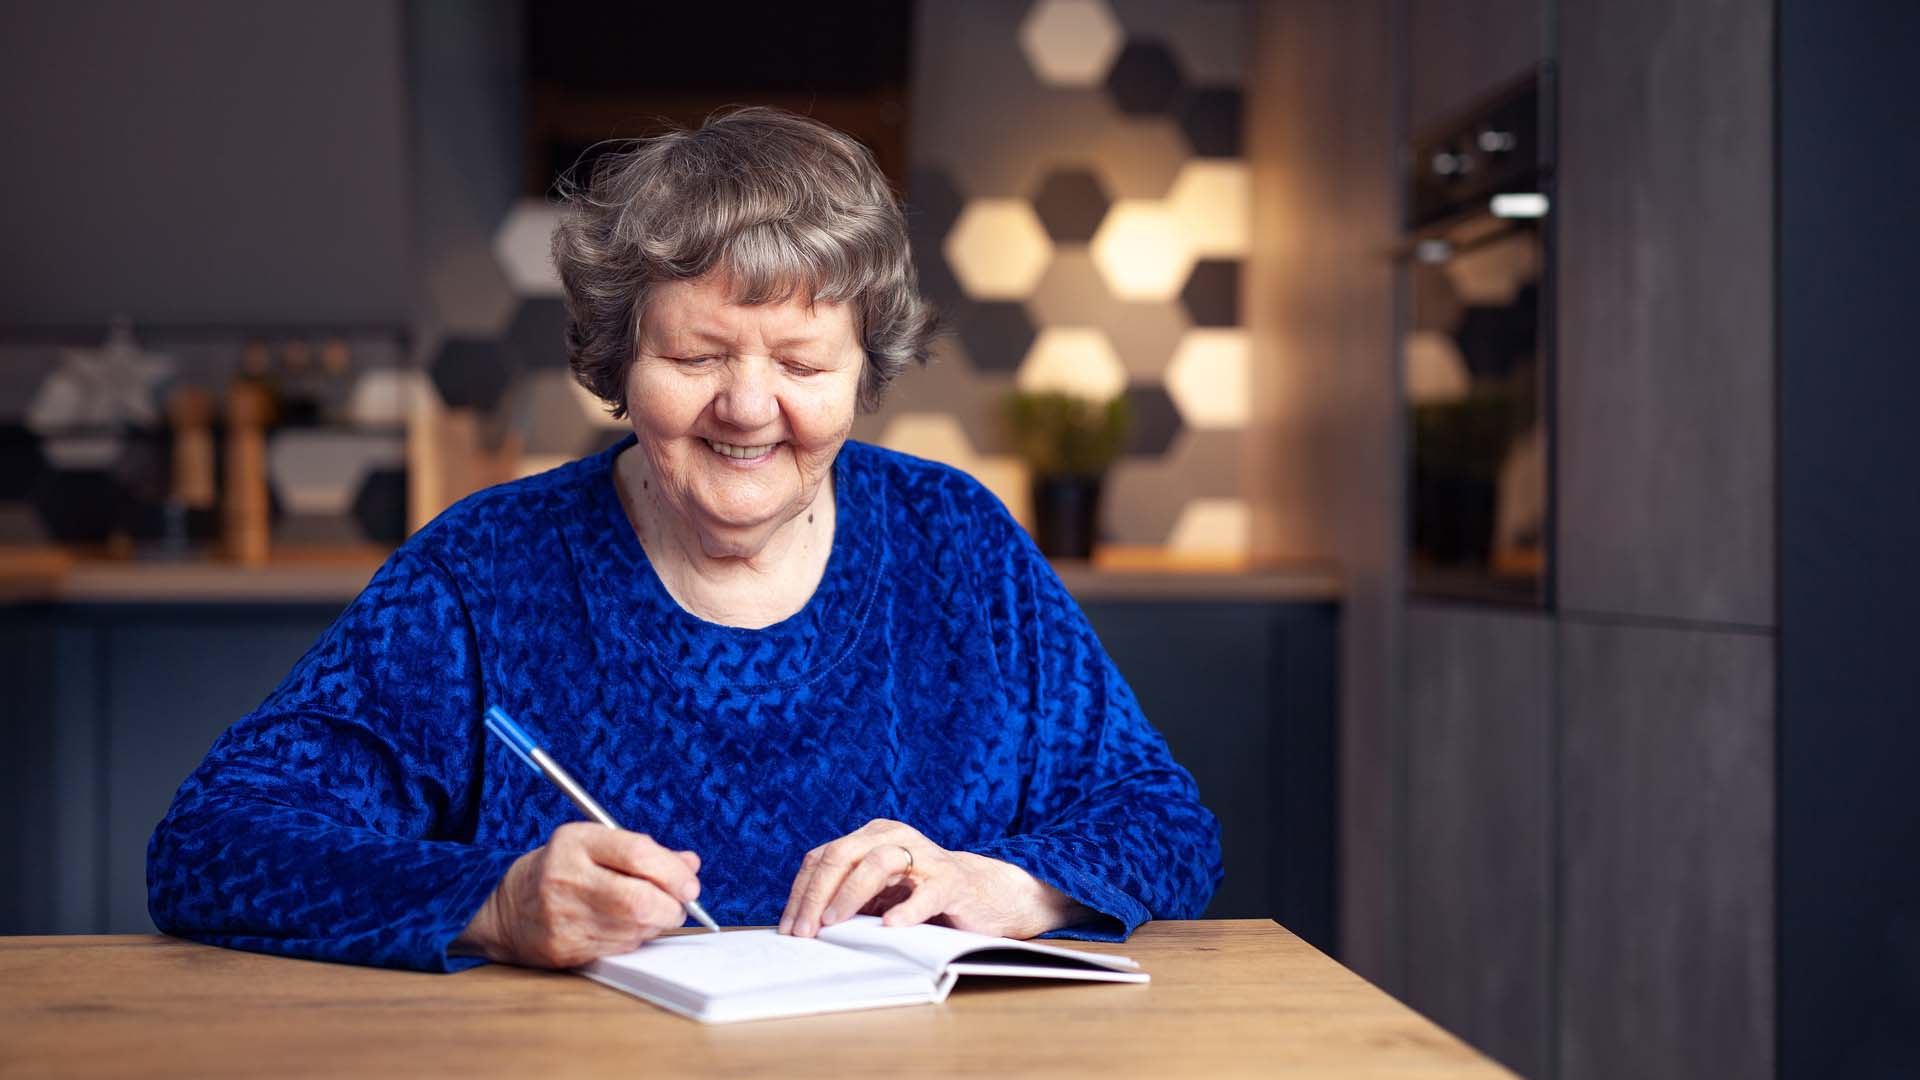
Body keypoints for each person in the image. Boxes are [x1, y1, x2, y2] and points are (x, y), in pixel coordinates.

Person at [146, 108, 1222, 972]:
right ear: (620, 359)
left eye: (800, 364)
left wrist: (1009, 885)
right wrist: (493, 904)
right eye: (699, 354)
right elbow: (211, 845)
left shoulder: (960, 544)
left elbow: (1167, 820)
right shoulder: (484, 572)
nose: (748, 409)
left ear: (866, 369)